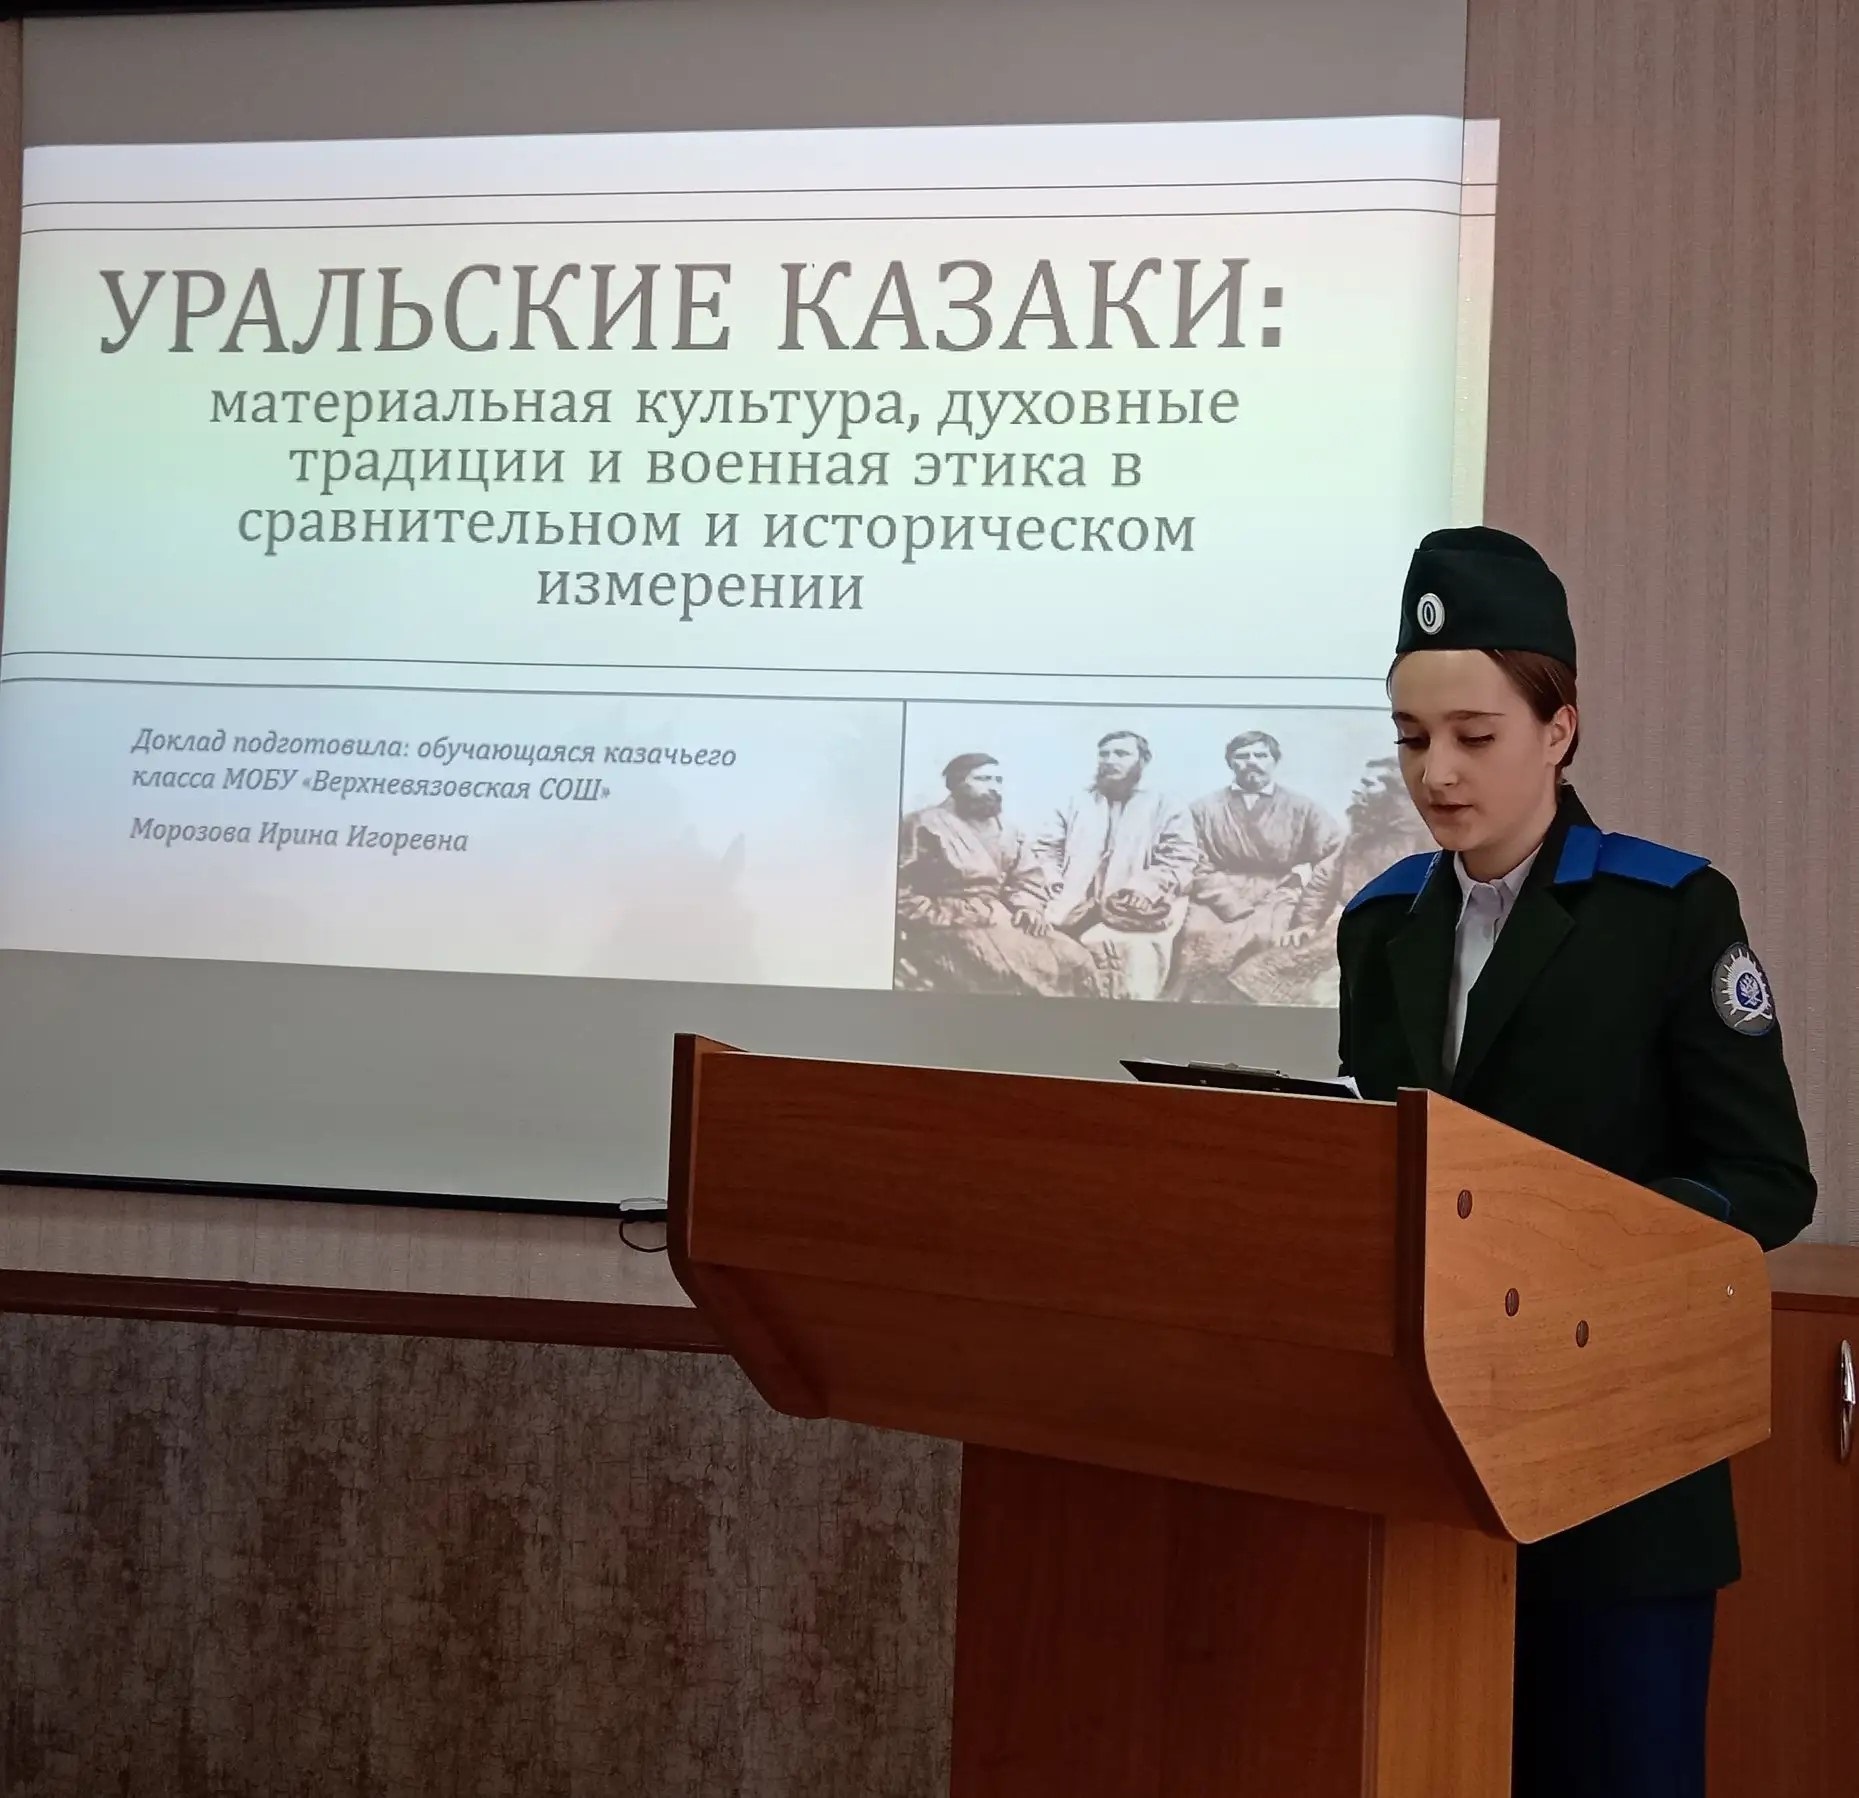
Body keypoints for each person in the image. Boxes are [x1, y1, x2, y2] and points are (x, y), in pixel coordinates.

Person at [1336, 525, 1816, 1798]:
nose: (1435, 772)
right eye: (1409, 738)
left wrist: (1588, 1254)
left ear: (1557, 729)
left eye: (1472, 735)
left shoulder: (1666, 912)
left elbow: (1767, 1177)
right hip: (1426, 1484)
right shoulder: (1377, 925)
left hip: (1619, 1485)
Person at [895, 752, 1099, 997]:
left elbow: (1027, 877)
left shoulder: (1007, 829)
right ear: (956, 783)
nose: (993, 787)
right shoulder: (923, 824)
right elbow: (899, 888)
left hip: (1001, 918)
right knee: (1015, 973)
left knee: (1075, 958)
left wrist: (1028, 908)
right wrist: (941, 916)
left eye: (998, 780)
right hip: (947, 926)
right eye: (983, 779)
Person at [1165, 730, 1345, 1002]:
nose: (1251, 762)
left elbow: (1334, 853)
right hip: (1217, 892)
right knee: (1198, 937)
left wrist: (1305, 910)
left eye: (1260, 755)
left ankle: (1260, 1013)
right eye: (1242, 756)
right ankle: (1201, 1011)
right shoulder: (1203, 808)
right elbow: (1191, 857)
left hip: (1280, 892)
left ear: (1274, 761)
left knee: (1277, 939)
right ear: (1230, 762)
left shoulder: (1303, 807)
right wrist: (1228, 901)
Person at [1027, 730, 1198, 1001]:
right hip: (1074, 899)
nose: (1110, 760)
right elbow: (1045, 848)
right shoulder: (1076, 801)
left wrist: (1144, 889)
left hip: (1136, 905)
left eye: (1121, 754)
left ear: (1143, 760)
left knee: (1130, 958)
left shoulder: (1167, 804)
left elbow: (1180, 857)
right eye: (1104, 754)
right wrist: (1054, 878)